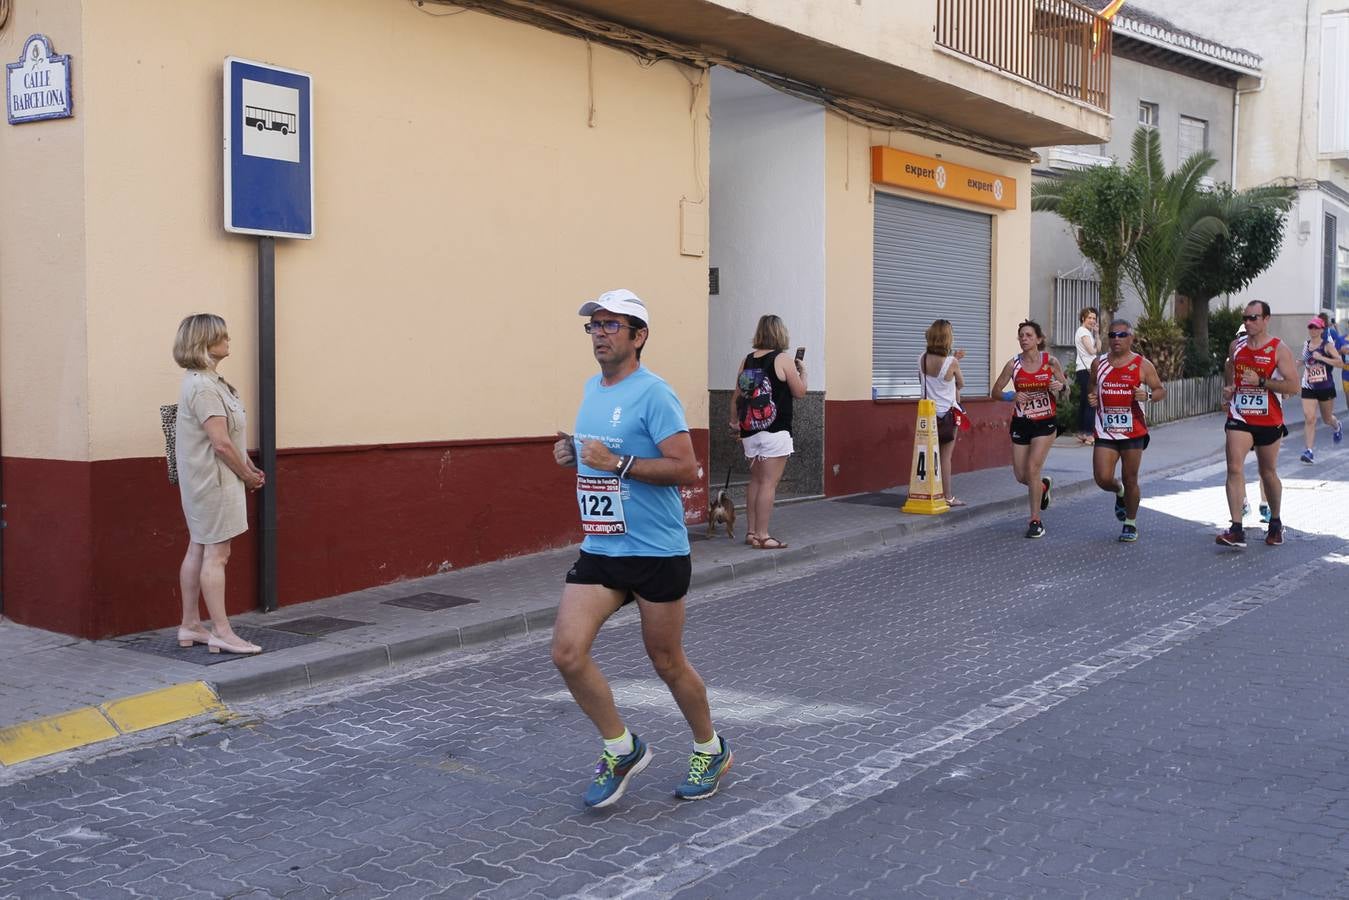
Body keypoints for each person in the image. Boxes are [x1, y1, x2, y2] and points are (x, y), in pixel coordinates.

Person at [551, 289, 730, 808]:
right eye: (594, 325)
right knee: (566, 652)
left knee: (667, 661)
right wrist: (573, 456)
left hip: (655, 552)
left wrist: (618, 464)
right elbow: (599, 456)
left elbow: (686, 467)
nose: (600, 334)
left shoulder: (656, 394)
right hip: (603, 548)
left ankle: (710, 748)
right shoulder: (592, 388)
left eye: (611, 325)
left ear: (639, 335)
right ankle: (621, 747)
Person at [172, 314, 265, 655]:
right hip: (215, 482)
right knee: (217, 553)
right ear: (203, 343)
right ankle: (222, 633)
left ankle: (190, 625)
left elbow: (230, 441)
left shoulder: (206, 381)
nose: (228, 340)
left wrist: (248, 465)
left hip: (206, 480)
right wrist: (247, 475)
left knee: (198, 546)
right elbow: (221, 444)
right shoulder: (204, 387)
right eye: (221, 336)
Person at [1217, 301, 1298, 548]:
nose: (1248, 322)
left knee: (1267, 472)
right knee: (1233, 468)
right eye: (1245, 318)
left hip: (1269, 419)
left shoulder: (1278, 349)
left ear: (1266, 319)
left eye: (1254, 318)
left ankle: (1275, 522)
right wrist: (1230, 388)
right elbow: (1231, 370)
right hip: (1240, 416)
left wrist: (1262, 381)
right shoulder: (1236, 346)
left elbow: (1293, 387)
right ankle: (1236, 528)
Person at [730, 315, 807, 549]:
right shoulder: (782, 359)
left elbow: (737, 396)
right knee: (768, 483)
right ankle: (763, 536)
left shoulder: (748, 360)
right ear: (780, 333)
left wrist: (734, 422)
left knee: (755, 481)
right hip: (775, 430)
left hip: (750, 431)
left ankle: (752, 532)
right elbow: (800, 392)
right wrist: (802, 372)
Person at [1085, 319, 1166, 542]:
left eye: (1121, 335)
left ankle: (1130, 522)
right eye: (1112, 335)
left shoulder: (1142, 365)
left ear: (1131, 337)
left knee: (1130, 478)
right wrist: (1092, 396)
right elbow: (1092, 384)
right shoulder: (1098, 363)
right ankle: (1118, 491)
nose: (1116, 339)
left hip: (1133, 431)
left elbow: (1160, 390)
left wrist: (1148, 396)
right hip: (1106, 430)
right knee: (1102, 478)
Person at [992, 320, 1066, 538]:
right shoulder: (1012, 365)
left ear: (1039, 339)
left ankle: (1035, 521)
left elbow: (1066, 390)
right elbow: (994, 392)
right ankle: (1042, 487)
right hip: (1022, 422)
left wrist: (1060, 387)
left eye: (1029, 335)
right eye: (1021, 336)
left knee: (1033, 469)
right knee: (1021, 475)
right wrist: (1011, 395)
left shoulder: (1050, 362)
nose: (1024, 339)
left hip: (1045, 422)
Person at [919, 319, 966, 506]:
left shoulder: (921, 358)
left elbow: (923, 381)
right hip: (947, 415)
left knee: (928, 455)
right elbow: (960, 383)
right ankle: (947, 496)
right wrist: (955, 362)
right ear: (947, 338)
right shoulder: (951, 362)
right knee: (945, 457)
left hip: (927, 415)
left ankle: (925, 492)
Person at [1299, 316, 1344, 463]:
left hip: (1325, 386)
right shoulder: (1306, 345)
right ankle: (1309, 451)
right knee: (1309, 417)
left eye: (1316, 327)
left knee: (1326, 418)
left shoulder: (1327, 345)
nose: (1313, 330)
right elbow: (1306, 360)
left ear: (1322, 329)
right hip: (1309, 384)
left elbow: (1340, 363)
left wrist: (1323, 358)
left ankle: (1337, 426)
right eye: (1310, 327)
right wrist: (1297, 363)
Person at [1072, 307, 1100, 445]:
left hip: (1084, 369)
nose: (1092, 320)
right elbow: (1092, 351)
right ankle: (1089, 434)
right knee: (1091, 401)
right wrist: (1094, 347)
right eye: (1089, 318)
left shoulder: (1087, 332)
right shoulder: (1083, 331)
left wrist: (1097, 334)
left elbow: (1098, 349)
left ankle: (1082, 432)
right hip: (1087, 370)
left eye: (1094, 318)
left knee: (1084, 401)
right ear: (1083, 318)